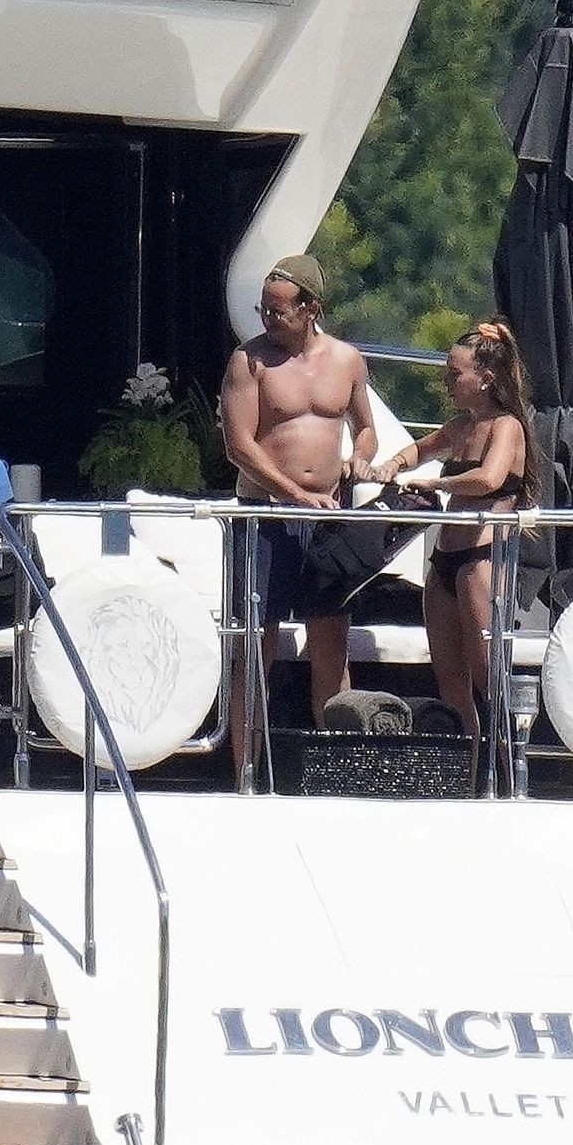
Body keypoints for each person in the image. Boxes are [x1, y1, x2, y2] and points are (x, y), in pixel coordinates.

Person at [219, 254, 378, 773]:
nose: (267, 319)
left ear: (311, 308)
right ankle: (246, 774)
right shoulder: (249, 362)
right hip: (265, 515)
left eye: (278, 311)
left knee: (331, 643)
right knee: (255, 645)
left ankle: (335, 770)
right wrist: (293, 494)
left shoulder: (347, 360)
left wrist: (360, 458)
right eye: (263, 309)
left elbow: (365, 428)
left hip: (327, 515)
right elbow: (240, 445)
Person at [366, 318, 538, 749]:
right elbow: (420, 448)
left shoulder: (506, 426)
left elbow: (488, 477)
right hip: (444, 559)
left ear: (486, 378)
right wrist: (395, 464)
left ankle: (505, 765)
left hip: (482, 558)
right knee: (449, 678)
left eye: (454, 374)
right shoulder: (460, 426)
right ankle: (467, 764)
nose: (446, 382)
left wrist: (437, 483)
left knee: (486, 673)